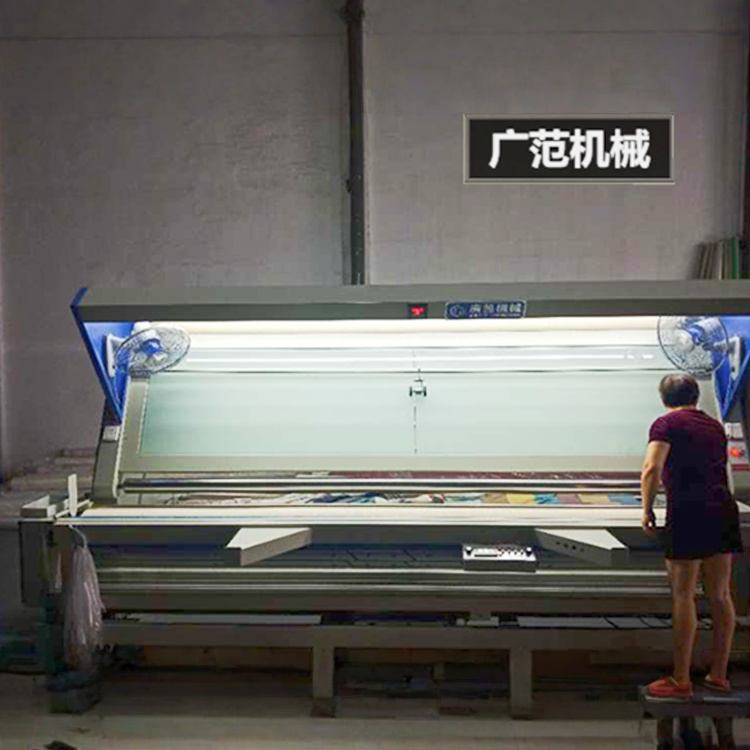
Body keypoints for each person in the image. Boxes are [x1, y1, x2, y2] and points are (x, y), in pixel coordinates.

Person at [641, 373, 743, 700]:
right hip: (723, 509)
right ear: (696, 396)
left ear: (664, 399)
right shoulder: (714, 426)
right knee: (721, 594)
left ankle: (681, 679)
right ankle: (719, 675)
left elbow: (652, 468)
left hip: (688, 511)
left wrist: (647, 509)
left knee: (684, 595)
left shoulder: (665, 424)